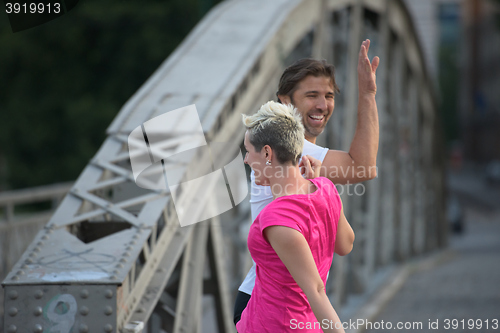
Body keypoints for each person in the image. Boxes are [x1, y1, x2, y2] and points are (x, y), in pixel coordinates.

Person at [234, 39, 379, 324]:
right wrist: (368, 94)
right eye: (312, 95)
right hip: (269, 305)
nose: (322, 105)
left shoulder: (308, 166)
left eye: (329, 95)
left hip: (292, 305)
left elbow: (343, 244)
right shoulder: (288, 153)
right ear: (285, 100)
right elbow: (364, 168)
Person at [236, 101, 355, 332]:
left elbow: (317, 292)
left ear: (267, 153)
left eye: (249, 151)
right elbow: (345, 245)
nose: (246, 160)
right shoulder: (325, 189)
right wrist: (317, 182)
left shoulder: (276, 219)